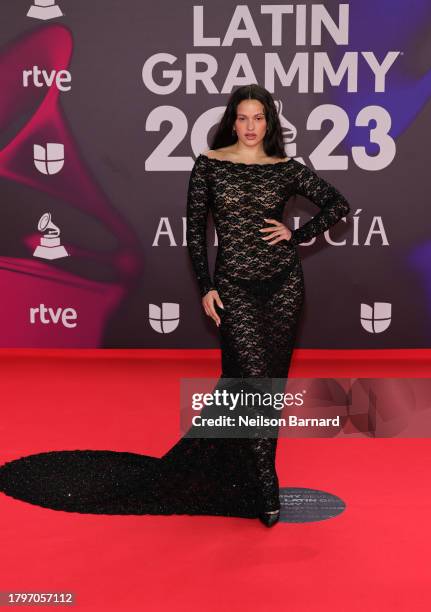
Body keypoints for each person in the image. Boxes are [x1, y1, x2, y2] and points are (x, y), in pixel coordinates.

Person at [0, 84, 350, 528]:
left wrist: (295, 235)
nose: (249, 127)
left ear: (269, 123)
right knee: (254, 381)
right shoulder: (209, 165)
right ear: (231, 121)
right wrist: (206, 286)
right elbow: (194, 233)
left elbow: (338, 203)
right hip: (234, 287)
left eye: (257, 118)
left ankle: (248, 473)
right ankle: (264, 482)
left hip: (284, 287)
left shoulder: (285, 169)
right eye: (242, 118)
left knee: (267, 389)